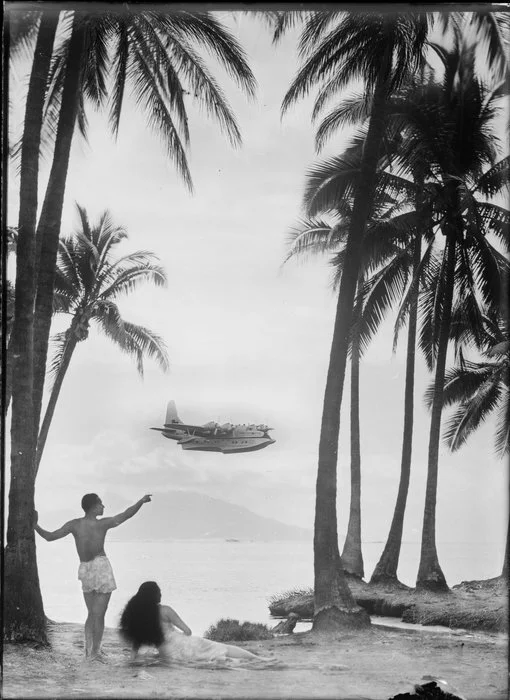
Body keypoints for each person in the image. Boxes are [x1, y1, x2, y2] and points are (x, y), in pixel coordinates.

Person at [34, 493, 152, 662]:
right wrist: (141, 501)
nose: (104, 507)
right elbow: (125, 515)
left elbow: (50, 536)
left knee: (93, 613)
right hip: (100, 568)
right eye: (101, 504)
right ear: (93, 506)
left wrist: (35, 525)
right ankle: (93, 651)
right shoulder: (101, 524)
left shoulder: (75, 524)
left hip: (86, 568)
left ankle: (91, 651)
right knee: (98, 613)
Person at [120, 581, 272, 666]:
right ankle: (259, 660)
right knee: (220, 647)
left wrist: (133, 659)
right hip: (179, 644)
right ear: (156, 595)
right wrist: (175, 635)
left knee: (206, 656)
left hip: (167, 653)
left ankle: (232, 661)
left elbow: (136, 646)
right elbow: (187, 631)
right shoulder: (165, 610)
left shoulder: (139, 616)